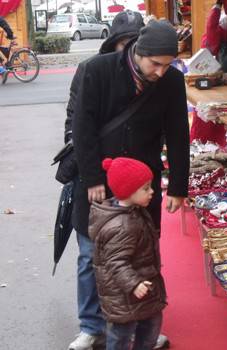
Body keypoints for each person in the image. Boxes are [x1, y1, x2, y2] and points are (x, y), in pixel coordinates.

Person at [68, 15, 185, 350]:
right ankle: (92, 326)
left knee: (143, 255)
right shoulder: (97, 69)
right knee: (92, 254)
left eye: (168, 64)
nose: (161, 71)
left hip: (142, 183)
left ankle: (142, 324)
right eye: (155, 64)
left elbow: (178, 133)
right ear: (139, 52)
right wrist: (91, 176)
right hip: (98, 179)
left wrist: (179, 185)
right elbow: (82, 127)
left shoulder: (172, 81)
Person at [89, 157, 166, 350]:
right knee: (122, 336)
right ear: (128, 191)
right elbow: (116, 262)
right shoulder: (123, 225)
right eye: (146, 188)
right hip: (125, 296)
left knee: (150, 326)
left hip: (142, 288)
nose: (152, 191)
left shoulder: (134, 211)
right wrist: (134, 284)